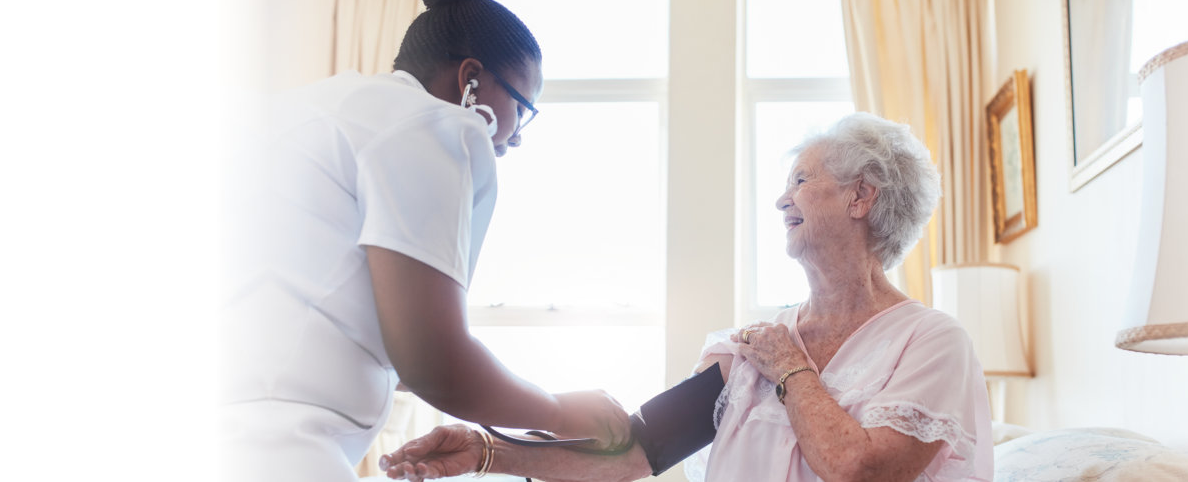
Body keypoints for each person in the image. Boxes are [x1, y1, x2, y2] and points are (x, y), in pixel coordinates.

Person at [379, 113, 994, 482]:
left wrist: (790, 367)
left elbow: (861, 471)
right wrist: (488, 450)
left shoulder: (933, 343)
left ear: (861, 198)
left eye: (801, 181)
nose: (782, 200)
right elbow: (634, 450)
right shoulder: (748, 349)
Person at [220, 0, 630, 480]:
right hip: (281, 453)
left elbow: (331, 318)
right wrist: (560, 411)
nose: (518, 136)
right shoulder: (436, 125)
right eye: (523, 107)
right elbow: (433, 361)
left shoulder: (299, 111)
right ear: (471, 79)